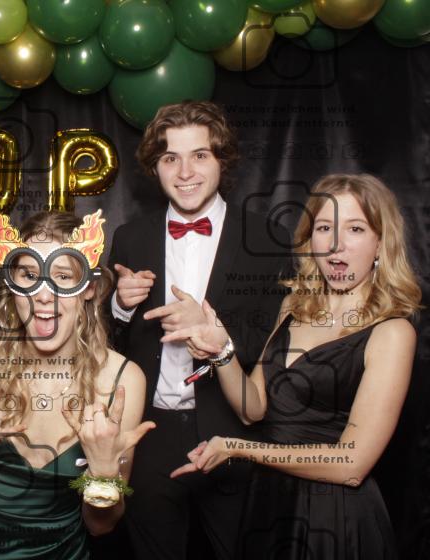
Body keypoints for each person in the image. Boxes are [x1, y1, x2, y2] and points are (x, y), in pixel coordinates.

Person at [164, 173, 422, 559]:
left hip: (333, 517)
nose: (335, 243)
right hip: (268, 505)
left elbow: (351, 465)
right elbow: (253, 409)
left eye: (355, 228)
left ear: (380, 243)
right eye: (324, 227)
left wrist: (241, 449)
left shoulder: (392, 332)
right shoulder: (293, 308)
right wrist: (222, 351)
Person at [107, 100, 292, 560]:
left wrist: (213, 331)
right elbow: (109, 347)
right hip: (150, 432)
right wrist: (119, 306)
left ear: (221, 161)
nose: (185, 171)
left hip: (232, 431)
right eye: (171, 157)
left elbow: (277, 341)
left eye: (200, 155)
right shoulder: (130, 237)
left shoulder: (267, 238)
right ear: (155, 166)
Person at [0, 210, 155, 559]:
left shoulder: (122, 380)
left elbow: (101, 525)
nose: (44, 294)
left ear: (89, 288)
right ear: (13, 284)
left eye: (63, 276)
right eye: (30, 275)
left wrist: (103, 472)